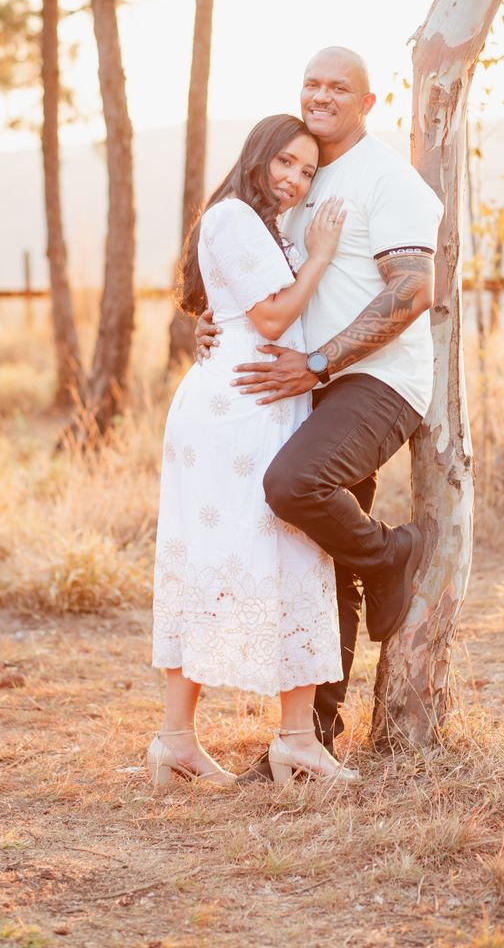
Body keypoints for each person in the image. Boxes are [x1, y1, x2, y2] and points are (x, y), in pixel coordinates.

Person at [196, 47, 443, 779]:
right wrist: (208, 322)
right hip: (311, 384)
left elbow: (412, 290)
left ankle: (391, 554)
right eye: (312, 83)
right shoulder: (296, 176)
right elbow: (254, 279)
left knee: (292, 485)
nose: (321, 95)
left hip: (377, 381)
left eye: (339, 87)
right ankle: (310, 742)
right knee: (314, 562)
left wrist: (319, 361)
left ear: (367, 104)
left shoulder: (388, 180)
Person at [149, 113, 360, 789]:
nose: (295, 178)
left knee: (282, 553)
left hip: (262, 402)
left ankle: (273, 739)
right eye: (285, 162)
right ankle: (193, 741)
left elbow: (248, 309)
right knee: (233, 555)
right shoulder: (235, 216)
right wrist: (321, 254)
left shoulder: (265, 227)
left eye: (307, 170)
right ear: (257, 156)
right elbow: (269, 317)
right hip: (236, 410)